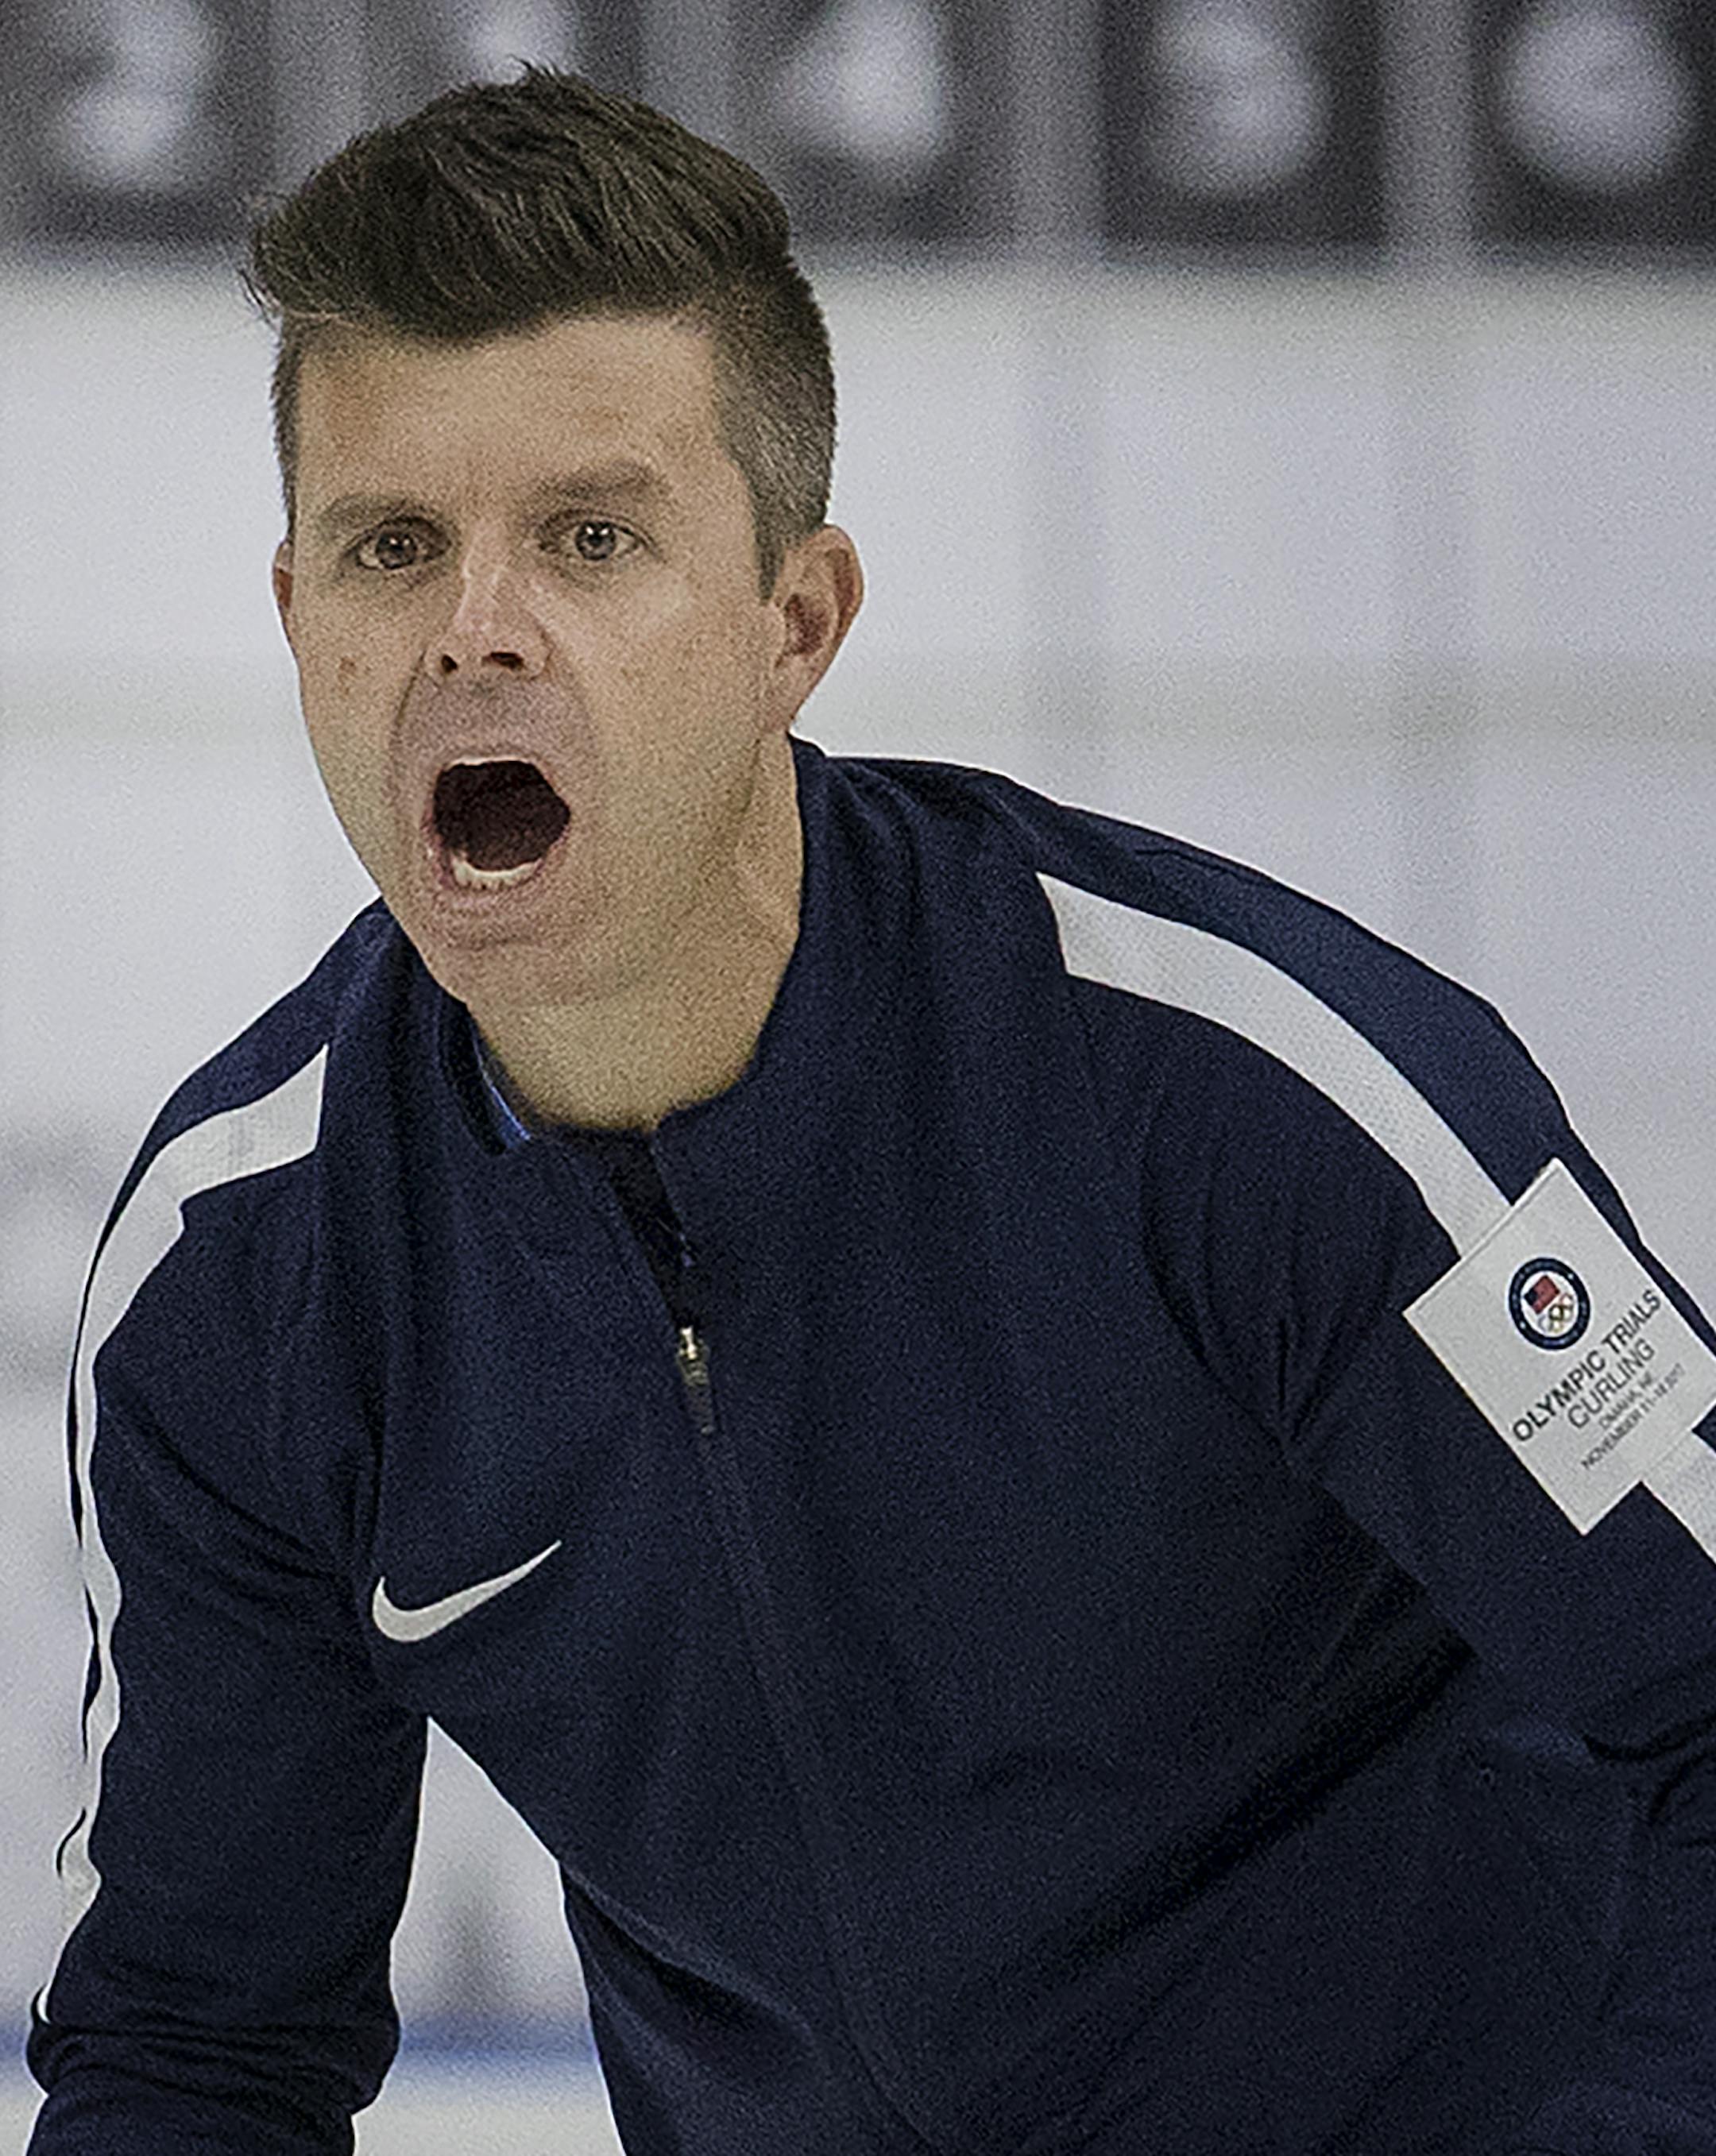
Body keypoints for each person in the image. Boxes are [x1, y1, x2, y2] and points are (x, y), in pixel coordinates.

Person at [24, 62, 1716, 2156]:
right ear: (297, 623)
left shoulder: (1230, 1087)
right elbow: (191, 2043)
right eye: (389, 545)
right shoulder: (241, 1277)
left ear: (793, 625)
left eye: (591, 534)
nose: (477, 629)